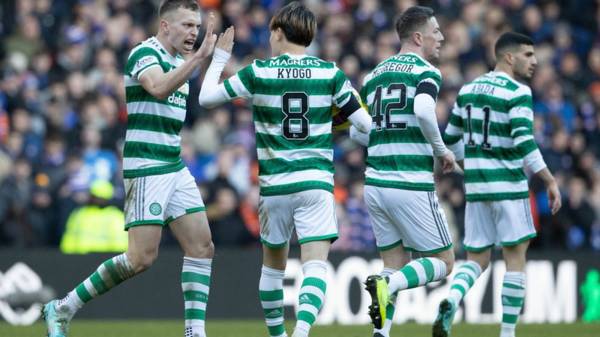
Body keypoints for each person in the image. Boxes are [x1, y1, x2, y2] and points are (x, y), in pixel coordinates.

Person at [42, 1, 218, 337]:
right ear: (165, 26)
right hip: (147, 165)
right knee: (140, 258)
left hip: (174, 164)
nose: (193, 33)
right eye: (186, 25)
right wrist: (200, 58)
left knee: (202, 246)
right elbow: (157, 87)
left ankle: (195, 332)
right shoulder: (144, 53)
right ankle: (63, 307)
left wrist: (206, 59)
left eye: (196, 27)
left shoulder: (181, 62)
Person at [197, 3, 372, 337]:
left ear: (278, 32)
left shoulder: (259, 71)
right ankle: (302, 331)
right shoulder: (330, 73)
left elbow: (206, 99)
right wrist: (338, 126)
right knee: (315, 264)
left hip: (274, 185)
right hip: (315, 182)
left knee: (273, 268)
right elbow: (365, 126)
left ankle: (277, 334)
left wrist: (219, 57)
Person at [434, 32, 562, 337]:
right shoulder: (518, 91)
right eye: (528, 55)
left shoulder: (467, 90)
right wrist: (550, 180)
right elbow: (524, 143)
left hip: (477, 189)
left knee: (477, 259)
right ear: (509, 57)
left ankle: (452, 298)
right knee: (515, 258)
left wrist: (471, 164)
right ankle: (507, 333)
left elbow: (450, 139)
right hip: (508, 187)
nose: (534, 61)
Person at [349, 6, 455, 337]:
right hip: (410, 180)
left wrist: (385, 135)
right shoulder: (426, 71)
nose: (441, 37)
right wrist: (441, 150)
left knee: (393, 261)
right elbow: (423, 110)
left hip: (375, 182)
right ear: (418, 37)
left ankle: (381, 334)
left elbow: (357, 132)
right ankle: (387, 283)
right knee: (444, 263)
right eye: (436, 31)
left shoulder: (374, 75)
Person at [60, 180, 127, 254]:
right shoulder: (79, 214)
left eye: (100, 197)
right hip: (79, 259)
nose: (97, 199)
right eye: (95, 196)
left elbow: (120, 245)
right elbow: (69, 239)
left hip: (104, 262)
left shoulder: (115, 217)